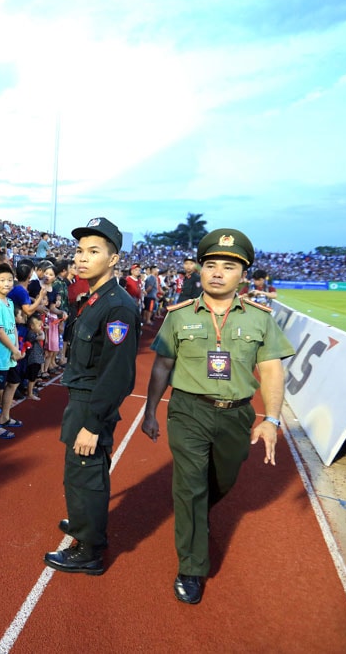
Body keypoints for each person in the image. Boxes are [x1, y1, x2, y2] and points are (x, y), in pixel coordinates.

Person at [141, 229, 294, 604]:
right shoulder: (178, 316)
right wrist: (149, 412)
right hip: (189, 410)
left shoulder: (261, 319)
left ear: (243, 274)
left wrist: (271, 420)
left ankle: (198, 514)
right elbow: (162, 365)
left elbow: (272, 370)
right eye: (211, 265)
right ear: (201, 271)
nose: (218, 273)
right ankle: (192, 567)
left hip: (236, 416)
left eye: (229, 266)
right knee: (190, 485)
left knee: (221, 481)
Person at [44, 217, 139, 576]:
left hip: (91, 403)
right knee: (78, 472)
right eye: (80, 251)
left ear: (113, 259)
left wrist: (94, 423)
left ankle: (89, 549)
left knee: (87, 473)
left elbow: (118, 374)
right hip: (82, 397)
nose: (82, 258)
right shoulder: (95, 298)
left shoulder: (117, 306)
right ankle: (85, 525)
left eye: (94, 251)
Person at [0, 264, 24, 439]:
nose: (7, 283)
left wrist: (18, 347)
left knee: (13, 383)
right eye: (2, 280)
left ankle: (5, 416)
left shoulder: (9, 302)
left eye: (9, 280)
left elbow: (13, 325)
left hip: (11, 353)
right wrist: (14, 348)